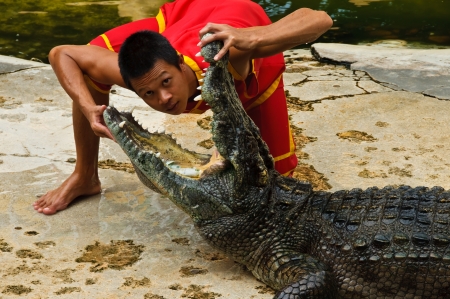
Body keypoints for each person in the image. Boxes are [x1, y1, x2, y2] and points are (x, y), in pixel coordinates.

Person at [33, 0, 333, 215]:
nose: (163, 98)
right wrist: (89, 108)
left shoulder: (229, 56)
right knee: (88, 67)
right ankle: (85, 176)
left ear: (178, 63)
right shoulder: (139, 76)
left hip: (240, 31)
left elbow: (319, 18)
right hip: (190, 14)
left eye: (166, 82)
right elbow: (62, 54)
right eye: (148, 93)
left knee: (276, 187)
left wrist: (252, 38)